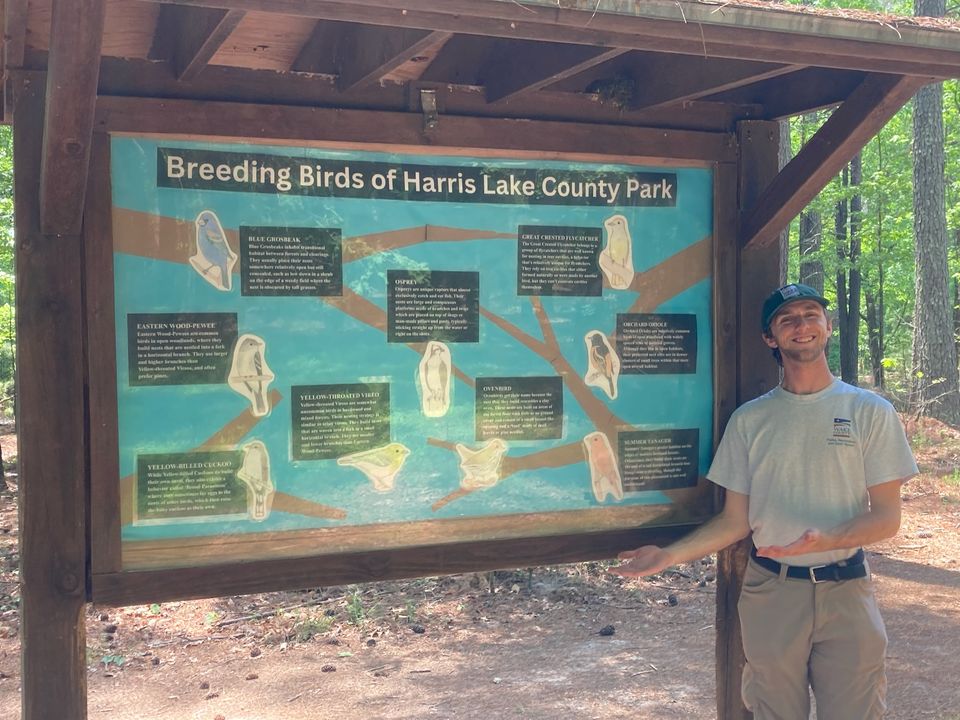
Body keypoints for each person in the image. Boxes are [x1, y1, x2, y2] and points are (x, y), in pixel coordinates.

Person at [613, 283, 917, 720]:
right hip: (773, 591)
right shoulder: (750, 420)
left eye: (811, 314)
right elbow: (735, 520)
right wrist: (668, 554)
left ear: (828, 326)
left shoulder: (869, 411)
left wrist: (825, 538)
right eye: (787, 319)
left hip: (847, 590)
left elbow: (887, 517)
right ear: (770, 338)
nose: (802, 325)